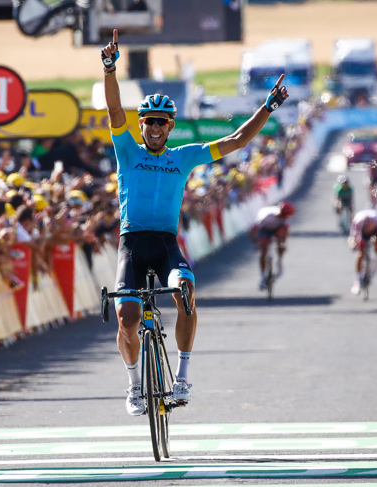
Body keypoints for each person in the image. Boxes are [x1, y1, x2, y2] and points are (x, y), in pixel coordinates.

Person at [101, 29, 289, 415]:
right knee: (128, 316)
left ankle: (182, 377)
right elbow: (115, 111)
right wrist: (109, 68)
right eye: (149, 122)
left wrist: (267, 107)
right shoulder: (126, 149)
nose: (154, 128)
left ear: (171, 127)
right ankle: (135, 386)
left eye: (162, 123)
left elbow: (236, 140)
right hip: (133, 244)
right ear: (142, 126)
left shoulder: (183, 156)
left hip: (166, 243)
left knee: (185, 291)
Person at [248, 201, 296, 289]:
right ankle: (263, 277)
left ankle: (280, 261)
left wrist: (282, 243)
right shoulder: (266, 216)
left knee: (281, 242)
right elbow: (252, 231)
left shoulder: (285, 218)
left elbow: (285, 233)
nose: (285, 218)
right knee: (264, 251)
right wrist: (256, 242)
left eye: (286, 217)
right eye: (284, 216)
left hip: (277, 229)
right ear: (280, 213)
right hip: (264, 229)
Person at [348, 208, 377, 295]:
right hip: (361, 233)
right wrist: (353, 245)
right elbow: (352, 238)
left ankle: (376, 260)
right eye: (367, 228)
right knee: (360, 253)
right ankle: (357, 280)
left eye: (370, 227)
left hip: (375, 232)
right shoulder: (357, 222)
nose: (368, 229)